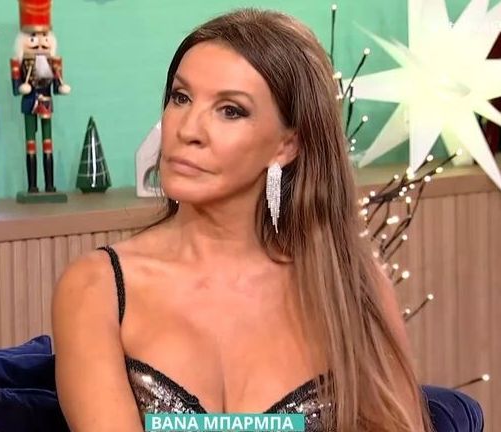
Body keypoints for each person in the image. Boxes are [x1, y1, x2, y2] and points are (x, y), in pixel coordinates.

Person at [52, 8, 431, 431]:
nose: (187, 130)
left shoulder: (351, 286)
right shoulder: (96, 288)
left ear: (287, 145)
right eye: (181, 97)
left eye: (230, 110)